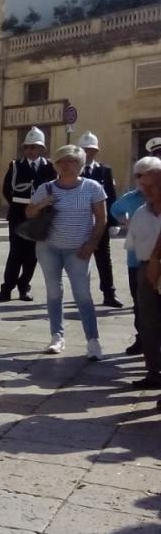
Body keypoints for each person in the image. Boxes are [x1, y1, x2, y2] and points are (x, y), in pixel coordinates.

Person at [26, 144, 107, 359]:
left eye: (70, 161)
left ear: (80, 164)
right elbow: (29, 213)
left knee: (83, 295)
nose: (65, 165)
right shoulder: (46, 188)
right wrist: (43, 203)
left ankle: (93, 341)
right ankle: (57, 336)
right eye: (61, 161)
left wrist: (92, 243)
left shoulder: (92, 187)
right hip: (48, 248)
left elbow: (101, 218)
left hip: (79, 249)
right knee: (54, 292)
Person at [0, 127, 57, 302]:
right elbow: (7, 189)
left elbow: (53, 189)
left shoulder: (50, 167)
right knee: (15, 252)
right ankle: (7, 288)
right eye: (27, 147)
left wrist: (40, 208)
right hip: (18, 214)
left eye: (34, 147)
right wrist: (21, 205)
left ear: (41, 149)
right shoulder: (15, 165)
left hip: (39, 216)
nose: (30, 150)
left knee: (32, 254)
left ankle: (24, 287)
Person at [119, 156, 161, 378]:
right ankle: (153, 372)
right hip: (144, 269)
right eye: (142, 186)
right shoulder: (140, 213)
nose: (144, 191)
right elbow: (133, 245)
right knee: (148, 321)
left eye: (150, 186)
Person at [78, 132, 121, 307]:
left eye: (92, 150)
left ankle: (109, 293)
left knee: (104, 259)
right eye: (85, 150)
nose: (88, 153)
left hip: (99, 222)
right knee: (80, 260)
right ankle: (81, 293)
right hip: (79, 222)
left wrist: (113, 222)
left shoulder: (104, 170)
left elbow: (110, 197)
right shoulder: (73, 171)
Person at [110, 166, 147, 354]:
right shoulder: (132, 198)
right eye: (139, 176)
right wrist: (125, 220)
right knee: (138, 301)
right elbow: (115, 209)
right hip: (136, 259)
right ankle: (142, 338)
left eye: (147, 175)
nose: (142, 180)